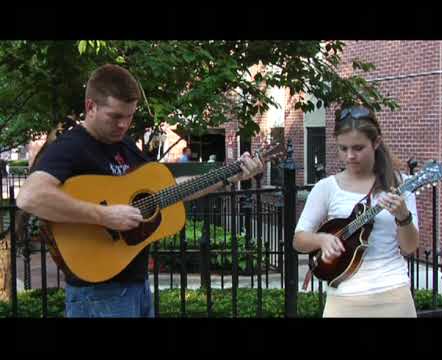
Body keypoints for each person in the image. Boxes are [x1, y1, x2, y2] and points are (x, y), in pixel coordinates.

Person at [16, 64, 264, 318]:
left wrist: (229, 175)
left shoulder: (124, 144)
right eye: (115, 116)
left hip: (136, 287)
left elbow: (168, 191)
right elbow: (30, 197)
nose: (123, 124)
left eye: (130, 116)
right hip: (97, 295)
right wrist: (104, 216)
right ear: (91, 106)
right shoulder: (71, 146)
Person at [293, 104, 419, 318]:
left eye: (358, 148)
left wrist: (403, 216)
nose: (350, 156)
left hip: (394, 294)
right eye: (343, 148)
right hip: (343, 298)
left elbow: (409, 247)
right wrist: (321, 240)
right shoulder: (326, 187)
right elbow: (298, 240)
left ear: (376, 142)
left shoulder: (400, 185)